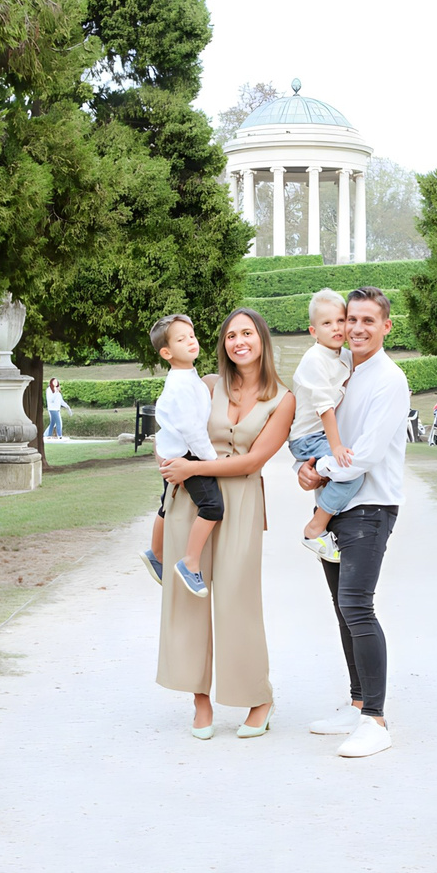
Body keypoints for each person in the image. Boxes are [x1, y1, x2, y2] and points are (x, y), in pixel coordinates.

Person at [155, 307, 294, 740]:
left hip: (241, 500)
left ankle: (259, 698)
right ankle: (200, 701)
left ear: (261, 339)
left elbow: (254, 460)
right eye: (231, 335)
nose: (239, 342)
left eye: (247, 333)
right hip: (190, 499)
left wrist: (193, 468)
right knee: (187, 600)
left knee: (238, 599)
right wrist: (167, 462)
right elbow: (171, 425)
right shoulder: (208, 385)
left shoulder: (283, 399)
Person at [297, 287, 409, 760]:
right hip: (339, 506)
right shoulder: (342, 370)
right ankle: (358, 704)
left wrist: (319, 469)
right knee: (344, 609)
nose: (356, 328)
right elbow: (320, 432)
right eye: (350, 319)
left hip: (371, 507)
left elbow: (363, 455)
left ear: (386, 326)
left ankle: (375, 721)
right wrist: (306, 469)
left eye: (367, 320)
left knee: (357, 607)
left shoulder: (389, 380)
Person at [142, 314, 222, 595]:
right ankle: (190, 562)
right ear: (167, 353)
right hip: (186, 456)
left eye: (191, 335)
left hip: (175, 452)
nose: (191, 341)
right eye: (181, 339)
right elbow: (192, 429)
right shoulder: (181, 384)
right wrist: (212, 461)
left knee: (167, 502)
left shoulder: (189, 377)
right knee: (212, 506)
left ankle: (156, 553)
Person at [287, 290, 359, 560]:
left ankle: (325, 518)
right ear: (313, 331)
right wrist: (336, 446)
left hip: (320, 435)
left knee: (345, 470)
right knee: (351, 470)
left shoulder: (344, 355)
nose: (336, 328)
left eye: (341, 320)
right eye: (327, 323)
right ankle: (315, 529)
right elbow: (324, 407)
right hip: (309, 437)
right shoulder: (315, 359)